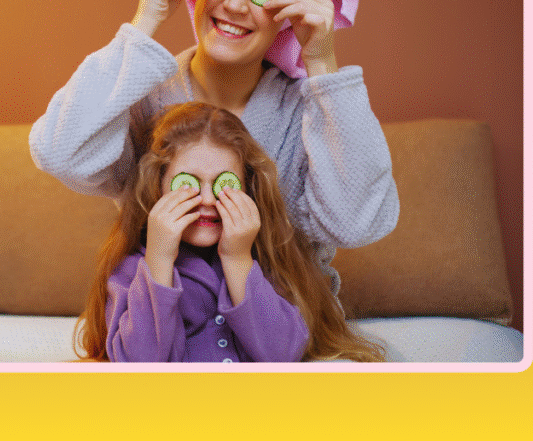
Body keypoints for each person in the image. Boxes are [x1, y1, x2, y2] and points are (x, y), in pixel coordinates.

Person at [30, 0, 398, 299]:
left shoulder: (310, 114)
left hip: (286, 332)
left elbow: (358, 222)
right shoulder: (141, 96)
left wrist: (322, 62)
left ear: (288, 11)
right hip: (163, 326)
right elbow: (59, 153)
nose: (237, 4)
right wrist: (143, 24)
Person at [77, 102, 385, 362]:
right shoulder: (132, 270)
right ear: (158, 188)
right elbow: (137, 364)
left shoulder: (264, 263)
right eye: (188, 183)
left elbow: (283, 355)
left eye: (224, 183)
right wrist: (159, 258)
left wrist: (237, 259)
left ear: (247, 189)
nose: (209, 200)